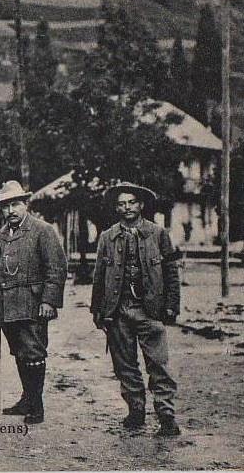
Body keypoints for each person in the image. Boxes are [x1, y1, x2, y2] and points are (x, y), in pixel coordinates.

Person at [91, 182, 181, 437]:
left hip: (149, 311)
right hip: (118, 310)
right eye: (121, 203)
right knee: (125, 365)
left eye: (131, 202)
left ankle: (166, 415)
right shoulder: (107, 237)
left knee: (158, 364)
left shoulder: (158, 234)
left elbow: (171, 272)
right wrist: (97, 310)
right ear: (116, 207)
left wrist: (172, 306)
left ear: (141, 205)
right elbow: (99, 276)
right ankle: (136, 409)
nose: (126, 207)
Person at [0, 181, 67, 424]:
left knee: (33, 353)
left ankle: (37, 405)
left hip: (33, 305)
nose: (10, 211)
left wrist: (49, 301)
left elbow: (56, 268)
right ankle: (27, 399)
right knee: (20, 354)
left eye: (15, 204)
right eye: (5, 206)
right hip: (6, 305)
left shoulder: (42, 230)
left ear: (25, 205)